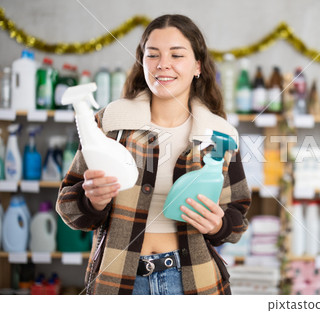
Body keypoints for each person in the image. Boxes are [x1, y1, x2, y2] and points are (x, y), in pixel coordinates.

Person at [56, 14, 251, 295]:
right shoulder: (111, 124)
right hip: (119, 283)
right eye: (153, 54)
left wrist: (219, 224)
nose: (163, 64)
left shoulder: (220, 135)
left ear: (197, 65)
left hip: (195, 284)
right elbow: (67, 205)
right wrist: (92, 202)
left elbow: (238, 216)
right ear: (142, 62)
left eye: (177, 54)